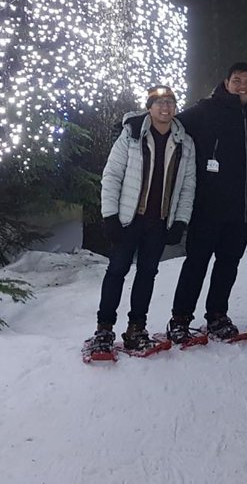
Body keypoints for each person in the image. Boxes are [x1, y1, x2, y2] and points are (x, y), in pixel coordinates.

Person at [85, 85, 196, 358]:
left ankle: (137, 329)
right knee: (117, 271)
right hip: (128, 220)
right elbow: (111, 176)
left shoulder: (184, 142)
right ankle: (104, 329)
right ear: (149, 107)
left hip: (158, 222)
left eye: (170, 102)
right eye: (159, 103)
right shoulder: (131, 134)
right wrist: (110, 216)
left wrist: (179, 221)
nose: (165, 108)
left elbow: (187, 187)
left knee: (147, 275)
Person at [168, 62, 247, 343]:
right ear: (226, 83)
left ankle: (216, 315)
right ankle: (180, 318)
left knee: (228, 265)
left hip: (242, 210)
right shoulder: (205, 111)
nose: (242, 86)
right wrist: (138, 122)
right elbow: (170, 123)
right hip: (207, 208)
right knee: (196, 263)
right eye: (236, 80)